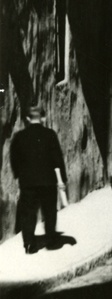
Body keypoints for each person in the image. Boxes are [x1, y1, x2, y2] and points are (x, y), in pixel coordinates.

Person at [10, 104, 67, 254]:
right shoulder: (50, 135)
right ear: (42, 118)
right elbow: (57, 159)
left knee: (28, 213)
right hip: (48, 181)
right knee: (49, 211)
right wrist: (62, 179)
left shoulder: (19, 137)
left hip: (28, 182)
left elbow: (14, 158)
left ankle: (29, 244)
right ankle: (51, 240)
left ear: (27, 119)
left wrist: (18, 175)